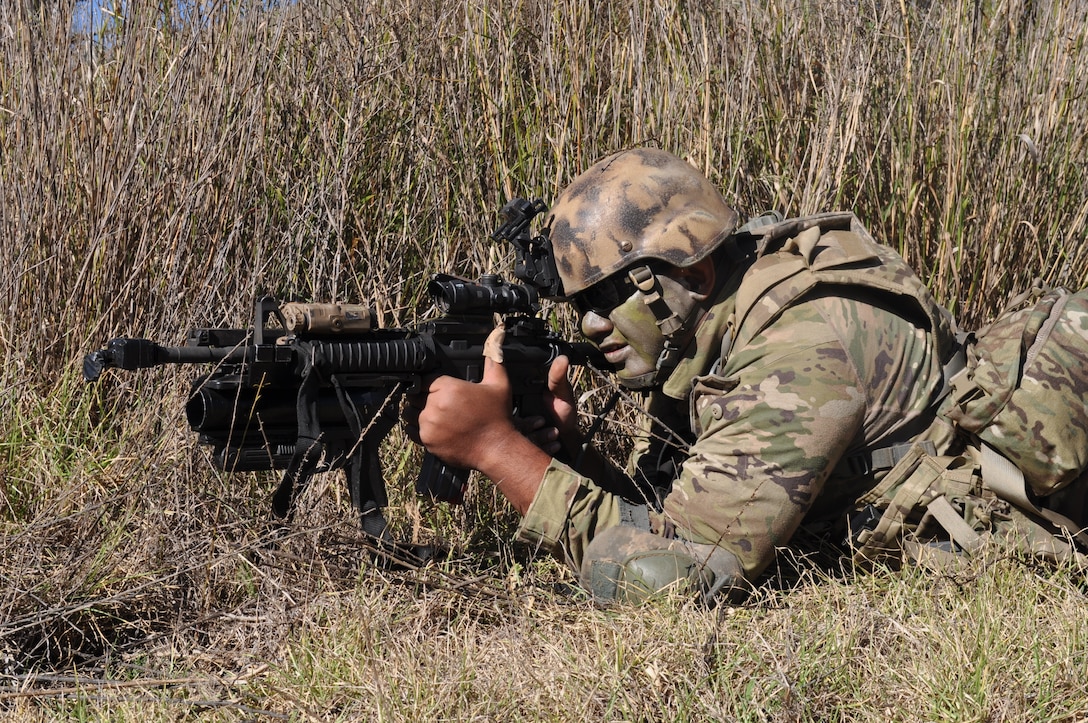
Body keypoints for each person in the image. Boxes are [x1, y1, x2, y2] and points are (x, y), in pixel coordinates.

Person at [403, 147, 964, 604]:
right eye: (581, 306)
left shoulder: (797, 346)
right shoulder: (707, 330)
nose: (593, 326)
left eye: (608, 297)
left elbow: (675, 577)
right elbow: (666, 518)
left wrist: (497, 451)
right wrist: (569, 455)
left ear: (691, 273)